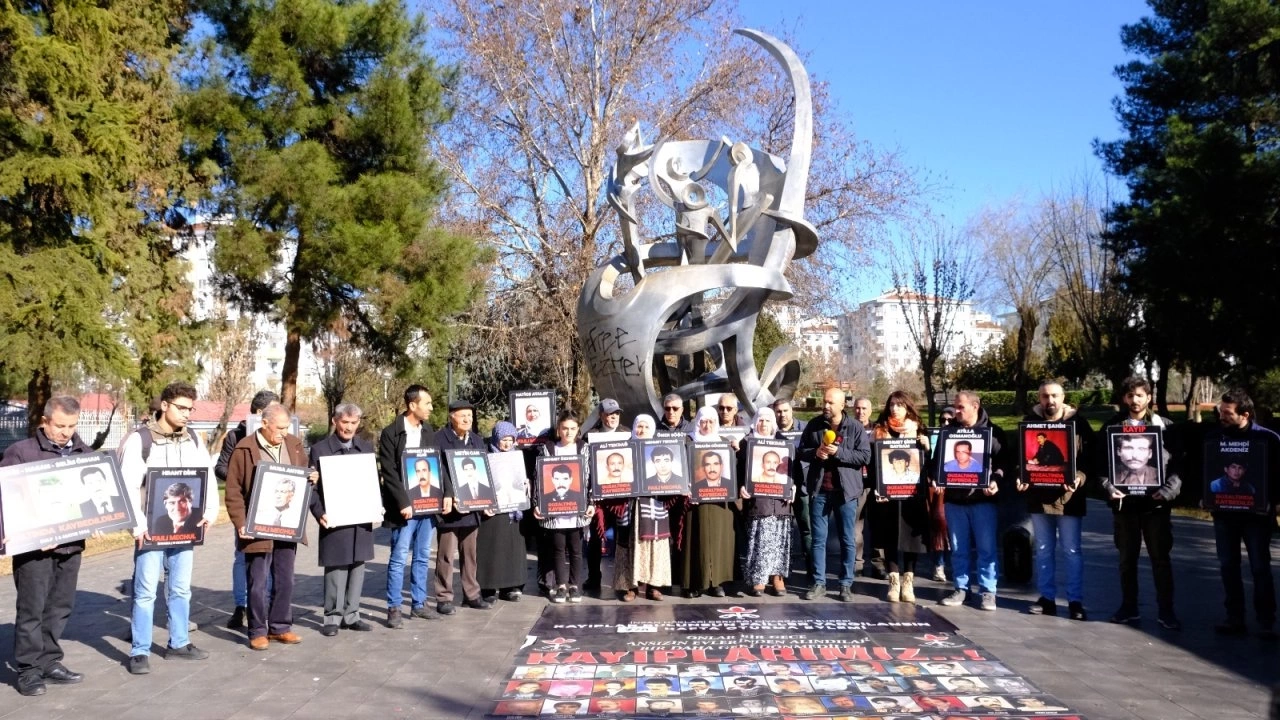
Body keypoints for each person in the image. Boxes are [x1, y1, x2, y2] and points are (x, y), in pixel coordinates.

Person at [119, 381, 217, 674]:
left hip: (185, 529)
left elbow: (207, 479)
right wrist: (137, 527)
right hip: (150, 531)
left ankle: (179, 643)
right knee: (146, 590)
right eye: (181, 408)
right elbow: (127, 486)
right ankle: (139, 651)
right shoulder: (141, 440)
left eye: (190, 408)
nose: (187, 414)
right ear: (164, 406)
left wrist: (209, 512)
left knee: (180, 589)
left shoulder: (194, 440)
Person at [2, 397, 94, 696]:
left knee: (60, 606)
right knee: (32, 608)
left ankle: (50, 661)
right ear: (45, 421)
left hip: (71, 545)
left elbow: (92, 498)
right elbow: (6, 500)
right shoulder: (22, 452)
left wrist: (98, 520)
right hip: (34, 550)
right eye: (60, 426)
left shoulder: (85, 454)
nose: (66, 432)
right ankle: (28, 670)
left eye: (72, 426)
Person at [224, 402, 313, 650]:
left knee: (286, 579)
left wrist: (311, 478)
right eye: (280, 428)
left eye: (287, 427)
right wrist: (240, 523)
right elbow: (233, 492)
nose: (284, 432)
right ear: (264, 424)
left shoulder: (294, 444)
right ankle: (257, 630)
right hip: (257, 527)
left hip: (287, 525)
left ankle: (280, 627)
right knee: (258, 581)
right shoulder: (244, 449)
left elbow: (303, 477)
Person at [1098, 376, 1182, 630]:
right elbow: (1100, 467)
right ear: (1124, 398)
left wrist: (1168, 491)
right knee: (1126, 559)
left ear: (1149, 398)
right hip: (1125, 507)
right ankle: (1128, 607)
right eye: (1130, 395)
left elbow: (1178, 467)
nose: (1135, 400)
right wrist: (1108, 488)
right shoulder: (1112, 427)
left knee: (1160, 559)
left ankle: (1166, 611)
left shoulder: (1165, 426)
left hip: (1155, 505)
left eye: (1140, 395)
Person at [1207, 389, 1279, 637]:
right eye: (1220, 412)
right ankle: (1234, 618)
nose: (1221, 417)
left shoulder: (1268, 439)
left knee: (1260, 568)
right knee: (1228, 566)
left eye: (1227, 413)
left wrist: (1274, 502)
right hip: (1224, 515)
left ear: (1245, 414)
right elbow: (1205, 469)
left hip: (1257, 517)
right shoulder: (1214, 438)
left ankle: (1266, 621)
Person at [1021, 380, 1095, 621]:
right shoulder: (1029, 423)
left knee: (1072, 550)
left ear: (1063, 397)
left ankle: (1075, 601)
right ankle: (1047, 598)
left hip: (1069, 498)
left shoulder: (1079, 424)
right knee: (1043, 550)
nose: (1049, 401)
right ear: (1038, 398)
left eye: (1054, 396)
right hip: (1038, 497)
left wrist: (1079, 477)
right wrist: (1021, 475)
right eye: (1044, 396)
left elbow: (1089, 461)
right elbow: (1022, 458)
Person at [797, 387, 872, 601]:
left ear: (842, 405)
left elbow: (864, 456)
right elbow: (801, 450)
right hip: (820, 489)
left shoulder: (855, 427)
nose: (826, 406)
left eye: (831, 403)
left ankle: (845, 584)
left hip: (846, 492)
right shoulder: (814, 425)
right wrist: (815, 453)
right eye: (825, 402)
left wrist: (839, 452)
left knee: (848, 539)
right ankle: (818, 583)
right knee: (818, 540)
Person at [308, 402, 376, 636]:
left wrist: (378, 506)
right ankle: (332, 617)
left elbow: (373, 484)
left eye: (353, 423)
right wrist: (319, 513)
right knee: (336, 567)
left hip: (361, 518)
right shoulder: (320, 450)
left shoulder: (366, 448)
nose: (348, 427)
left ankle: (352, 614)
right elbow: (311, 489)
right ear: (335, 422)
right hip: (334, 517)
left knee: (358, 565)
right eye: (344, 422)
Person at [936, 391, 1007, 611]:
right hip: (954, 502)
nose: (955, 412)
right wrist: (936, 478)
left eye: (960, 407)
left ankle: (988, 591)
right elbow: (937, 462)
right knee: (958, 549)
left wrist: (996, 480)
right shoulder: (948, 433)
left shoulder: (993, 433)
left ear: (976, 406)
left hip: (982, 501)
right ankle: (961, 589)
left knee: (986, 549)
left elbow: (1004, 463)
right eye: (955, 407)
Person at [377, 385, 441, 627]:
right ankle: (394, 607)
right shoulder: (391, 433)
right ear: (413, 405)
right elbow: (389, 472)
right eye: (428, 404)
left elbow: (436, 466)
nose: (431, 408)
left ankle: (419, 604)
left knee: (423, 555)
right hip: (404, 509)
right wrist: (403, 502)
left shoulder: (429, 432)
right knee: (399, 556)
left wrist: (440, 496)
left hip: (427, 506)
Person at [215, 389, 278, 630]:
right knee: (242, 557)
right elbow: (221, 467)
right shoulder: (236, 436)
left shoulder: (282, 434)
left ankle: (268, 603)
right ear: (260, 413)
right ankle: (241, 605)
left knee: (273, 556)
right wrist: (240, 476)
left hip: (274, 505)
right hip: (247, 504)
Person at [866, 391, 931, 604]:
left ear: (908, 408)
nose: (895, 409)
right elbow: (873, 464)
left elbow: (929, 465)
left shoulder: (919, 430)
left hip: (912, 495)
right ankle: (893, 582)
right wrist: (878, 488)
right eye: (892, 404)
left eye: (900, 405)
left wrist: (926, 448)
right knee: (889, 536)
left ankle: (908, 581)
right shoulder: (880, 431)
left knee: (912, 539)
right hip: (887, 497)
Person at [434, 399, 490, 614]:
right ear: (451, 417)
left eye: (470, 415)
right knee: (446, 554)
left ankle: (472, 594)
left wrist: (487, 501)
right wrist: (448, 495)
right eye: (462, 415)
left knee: (470, 554)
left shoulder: (477, 440)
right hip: (450, 508)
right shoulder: (439, 439)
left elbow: (483, 472)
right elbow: (438, 472)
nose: (467, 419)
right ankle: (444, 597)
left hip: (472, 506)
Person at [609, 415, 674, 601]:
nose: (642, 430)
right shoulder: (624, 448)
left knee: (655, 544)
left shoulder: (660, 451)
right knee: (629, 544)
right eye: (639, 426)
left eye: (646, 427)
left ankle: (653, 586)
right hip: (631, 504)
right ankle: (631, 587)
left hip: (654, 504)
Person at [537, 412, 595, 603]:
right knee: (558, 549)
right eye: (564, 428)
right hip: (554, 510)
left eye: (572, 428)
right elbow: (539, 479)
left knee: (576, 549)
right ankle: (561, 586)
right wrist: (538, 504)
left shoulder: (584, 448)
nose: (568, 432)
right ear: (558, 429)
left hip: (578, 509)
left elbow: (590, 479)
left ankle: (574, 586)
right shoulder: (549, 449)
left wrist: (592, 503)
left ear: (578, 429)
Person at [680, 406, 738, 598]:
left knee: (719, 541)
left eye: (711, 421)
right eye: (703, 421)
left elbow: (734, 471)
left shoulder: (724, 444)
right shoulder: (688, 443)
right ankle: (694, 584)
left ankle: (717, 583)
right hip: (695, 503)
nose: (707, 425)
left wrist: (737, 452)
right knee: (695, 541)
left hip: (721, 504)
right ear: (698, 422)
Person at [740, 408, 792, 597]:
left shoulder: (783, 443)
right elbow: (739, 471)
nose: (764, 424)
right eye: (760, 421)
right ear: (755, 423)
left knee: (779, 540)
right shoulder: (746, 444)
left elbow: (793, 473)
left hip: (780, 502)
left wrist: (791, 487)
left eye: (768, 421)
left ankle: (777, 577)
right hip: (758, 502)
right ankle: (759, 577)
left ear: (773, 424)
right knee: (760, 539)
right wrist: (741, 486)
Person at [479, 420, 529, 603]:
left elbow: (523, 480)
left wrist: (525, 484)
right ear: (496, 438)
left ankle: (511, 586)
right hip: (493, 512)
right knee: (491, 549)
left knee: (512, 550)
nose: (507, 444)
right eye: (503, 439)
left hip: (513, 511)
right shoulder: (486, 455)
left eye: (511, 439)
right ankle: (488, 588)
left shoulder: (518, 456)